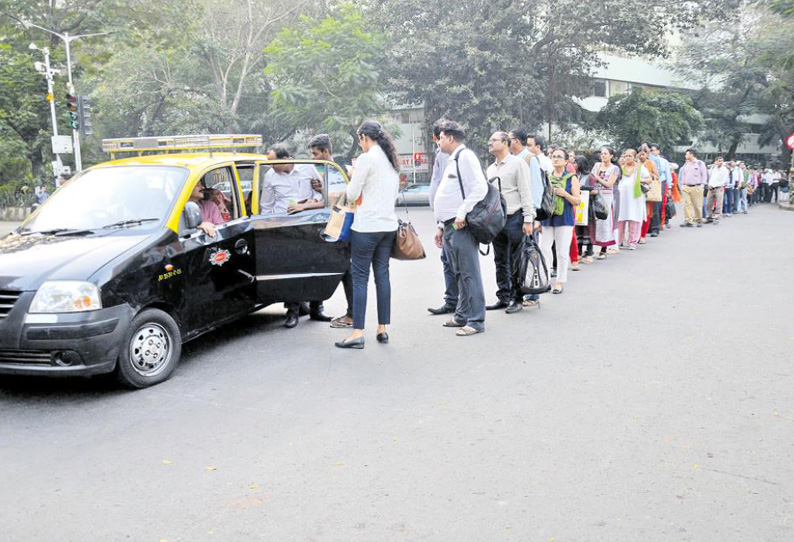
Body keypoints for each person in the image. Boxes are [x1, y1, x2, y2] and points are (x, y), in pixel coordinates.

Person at [335, 121, 400, 349]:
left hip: (366, 227)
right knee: (382, 276)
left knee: (360, 278)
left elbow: (352, 194)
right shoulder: (391, 159)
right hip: (388, 226)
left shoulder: (366, 159)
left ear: (363, 137)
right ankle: (382, 328)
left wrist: (353, 175)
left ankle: (357, 332)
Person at [261, 145, 329, 328]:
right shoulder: (270, 176)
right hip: (285, 226)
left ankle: (317, 308)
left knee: (315, 265)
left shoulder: (307, 168)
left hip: (310, 224)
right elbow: (266, 205)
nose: (271, 166)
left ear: (285, 159)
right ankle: (293, 311)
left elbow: (323, 194)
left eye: (273, 162)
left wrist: (314, 197)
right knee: (291, 268)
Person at [433, 120, 488, 336]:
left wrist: (462, 213)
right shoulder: (451, 159)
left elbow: (480, 188)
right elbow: (451, 193)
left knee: (469, 272)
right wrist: (440, 225)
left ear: (450, 138)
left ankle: (476, 320)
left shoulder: (465, 157)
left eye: (440, 137)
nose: (438, 141)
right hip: (449, 224)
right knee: (458, 272)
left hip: (460, 225)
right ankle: (462, 314)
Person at [308, 134, 356, 329]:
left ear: (326, 152)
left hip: (341, 227)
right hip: (323, 225)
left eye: (315, 153)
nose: (312, 157)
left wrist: (314, 200)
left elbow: (340, 198)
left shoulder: (339, 170)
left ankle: (352, 312)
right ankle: (315, 307)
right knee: (316, 265)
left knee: (347, 270)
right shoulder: (320, 171)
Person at [484, 131, 534, 314]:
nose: (490, 143)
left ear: (506, 143)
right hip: (497, 221)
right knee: (500, 260)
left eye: (494, 140)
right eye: (490, 140)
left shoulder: (517, 164)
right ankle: (503, 296)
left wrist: (528, 219)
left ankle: (517, 297)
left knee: (515, 260)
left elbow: (526, 192)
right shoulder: (491, 169)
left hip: (515, 218)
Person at [427, 118, 458, 316]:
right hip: (445, 217)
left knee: (453, 260)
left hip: (453, 217)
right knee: (447, 259)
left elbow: (448, 190)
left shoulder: (449, 156)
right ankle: (452, 300)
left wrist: (442, 221)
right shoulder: (441, 154)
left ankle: (457, 302)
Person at [539, 147, 580, 293]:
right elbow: (540, 198)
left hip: (565, 218)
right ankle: (546, 277)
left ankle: (560, 281)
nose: (555, 159)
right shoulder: (546, 176)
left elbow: (577, 201)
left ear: (566, 160)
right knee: (544, 249)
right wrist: (538, 220)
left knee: (562, 251)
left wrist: (565, 194)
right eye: (553, 156)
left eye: (559, 157)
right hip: (547, 218)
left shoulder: (572, 178)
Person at [522, 134, 551, 307]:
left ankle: (534, 293)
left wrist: (535, 217)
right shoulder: (521, 159)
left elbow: (539, 190)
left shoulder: (538, 161)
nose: (528, 147)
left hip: (532, 215)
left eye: (530, 144)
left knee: (532, 252)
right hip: (524, 214)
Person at [587, 146, 619, 259]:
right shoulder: (596, 166)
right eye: (602, 153)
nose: (603, 155)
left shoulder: (614, 168)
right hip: (595, 195)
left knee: (605, 221)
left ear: (611, 156)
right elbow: (591, 178)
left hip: (606, 196)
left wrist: (598, 178)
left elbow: (609, 184)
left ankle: (603, 249)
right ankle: (590, 247)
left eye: (605, 153)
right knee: (593, 221)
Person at [616, 149, 650, 249]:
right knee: (620, 219)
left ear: (635, 157)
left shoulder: (640, 168)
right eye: (625, 156)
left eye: (630, 156)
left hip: (635, 199)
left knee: (634, 219)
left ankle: (632, 241)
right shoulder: (620, 169)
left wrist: (640, 180)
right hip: (622, 198)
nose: (627, 158)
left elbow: (649, 179)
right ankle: (618, 241)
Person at [678, 148, 708, 227]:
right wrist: (681, 185)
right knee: (686, 204)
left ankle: (698, 219)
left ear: (691, 154)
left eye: (687, 154)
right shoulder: (686, 164)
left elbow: (704, 175)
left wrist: (702, 186)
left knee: (697, 205)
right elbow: (682, 175)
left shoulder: (700, 163)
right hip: (686, 187)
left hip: (696, 186)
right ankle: (688, 220)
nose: (685, 156)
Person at [637, 146, 659, 243]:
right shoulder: (635, 164)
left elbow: (657, 176)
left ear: (647, 154)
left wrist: (648, 174)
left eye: (643, 154)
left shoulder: (651, 163)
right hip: (636, 192)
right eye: (640, 154)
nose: (641, 156)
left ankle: (643, 235)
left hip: (647, 191)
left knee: (646, 214)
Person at [649, 143, 672, 235]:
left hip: (659, 183)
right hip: (647, 182)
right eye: (651, 150)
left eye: (654, 150)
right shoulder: (647, 161)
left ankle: (656, 227)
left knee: (656, 205)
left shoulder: (663, 161)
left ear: (658, 151)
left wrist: (669, 187)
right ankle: (648, 227)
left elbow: (668, 175)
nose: (652, 152)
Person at [706, 156, 729, 224]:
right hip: (711, 188)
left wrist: (715, 185)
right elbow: (709, 177)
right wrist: (709, 185)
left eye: (722, 161)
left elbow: (724, 180)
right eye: (719, 161)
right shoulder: (713, 168)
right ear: (715, 162)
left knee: (718, 203)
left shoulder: (724, 170)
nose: (721, 162)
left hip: (719, 188)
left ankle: (716, 217)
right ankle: (709, 216)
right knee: (708, 203)